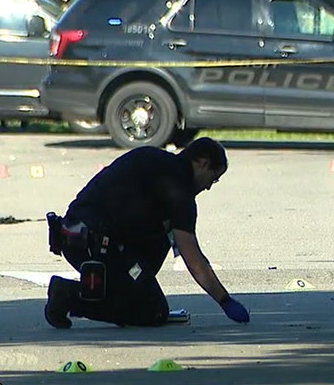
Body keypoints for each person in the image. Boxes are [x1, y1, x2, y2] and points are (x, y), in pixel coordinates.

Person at [44, 136, 250, 328]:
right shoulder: (179, 190)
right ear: (203, 163)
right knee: (152, 311)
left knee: (160, 238)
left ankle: (125, 288)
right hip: (98, 249)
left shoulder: (151, 157)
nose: (208, 188)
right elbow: (192, 256)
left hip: (72, 237)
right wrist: (224, 299)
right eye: (213, 179)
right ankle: (70, 297)